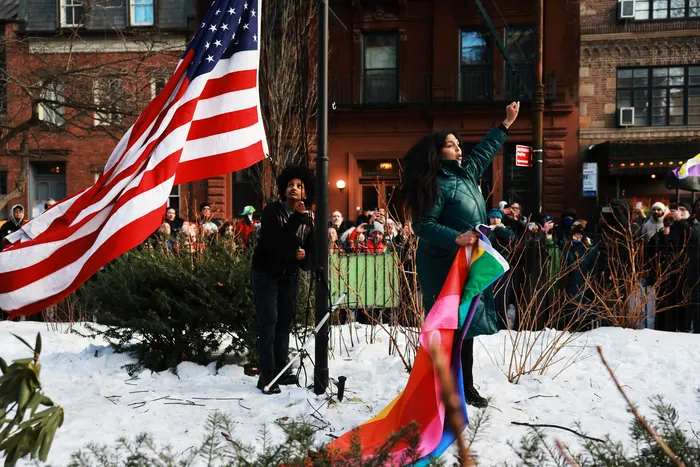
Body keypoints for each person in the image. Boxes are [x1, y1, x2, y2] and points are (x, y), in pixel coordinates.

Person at [399, 101, 520, 408]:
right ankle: (443, 389)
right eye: (450, 145)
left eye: (457, 144)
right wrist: (456, 237)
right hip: (442, 266)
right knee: (448, 330)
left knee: (466, 330)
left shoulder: (465, 176)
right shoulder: (435, 184)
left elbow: (483, 152)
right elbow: (423, 225)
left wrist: (505, 124)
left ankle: (465, 387)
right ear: (438, 152)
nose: (458, 149)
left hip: (465, 264)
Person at [251, 164, 315, 395]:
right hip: (265, 273)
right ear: (283, 189)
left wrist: (304, 256)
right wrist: (297, 217)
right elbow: (274, 242)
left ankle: (281, 369)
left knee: (285, 322)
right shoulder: (272, 212)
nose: (294, 188)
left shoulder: (308, 222)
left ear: (306, 193)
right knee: (268, 322)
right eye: (290, 185)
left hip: (289, 275)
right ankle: (266, 376)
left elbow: (311, 254)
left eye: (299, 186)